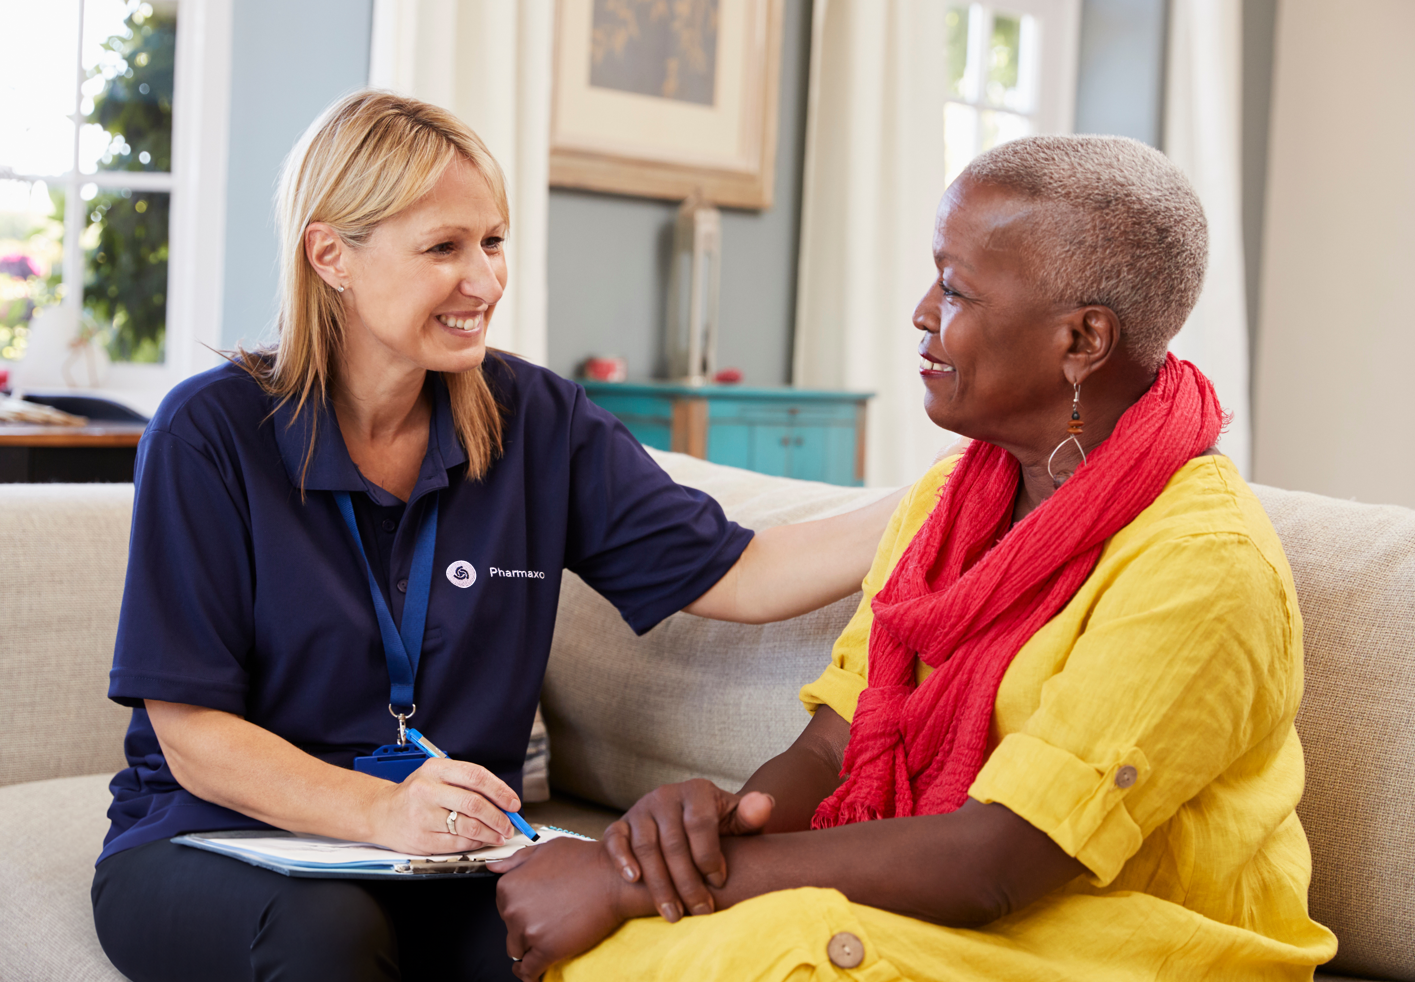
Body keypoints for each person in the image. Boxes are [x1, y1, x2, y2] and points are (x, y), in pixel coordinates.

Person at [88, 91, 905, 982]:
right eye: (443, 247)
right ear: (331, 255)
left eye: (493, 241)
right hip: (219, 842)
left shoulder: (537, 418)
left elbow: (742, 571)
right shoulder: (209, 432)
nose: (484, 280)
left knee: (602, 946)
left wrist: (953, 491)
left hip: (447, 858)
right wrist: (380, 812)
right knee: (326, 935)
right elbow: (192, 733)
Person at [492, 135, 1340, 981]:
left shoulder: (1204, 565)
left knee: (752, 956)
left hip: (1125, 945)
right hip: (975, 920)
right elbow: (832, 750)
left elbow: (997, 863)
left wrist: (629, 881)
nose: (924, 311)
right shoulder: (948, 502)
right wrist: (712, 834)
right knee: (635, 947)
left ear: (1083, 341)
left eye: (958, 288)